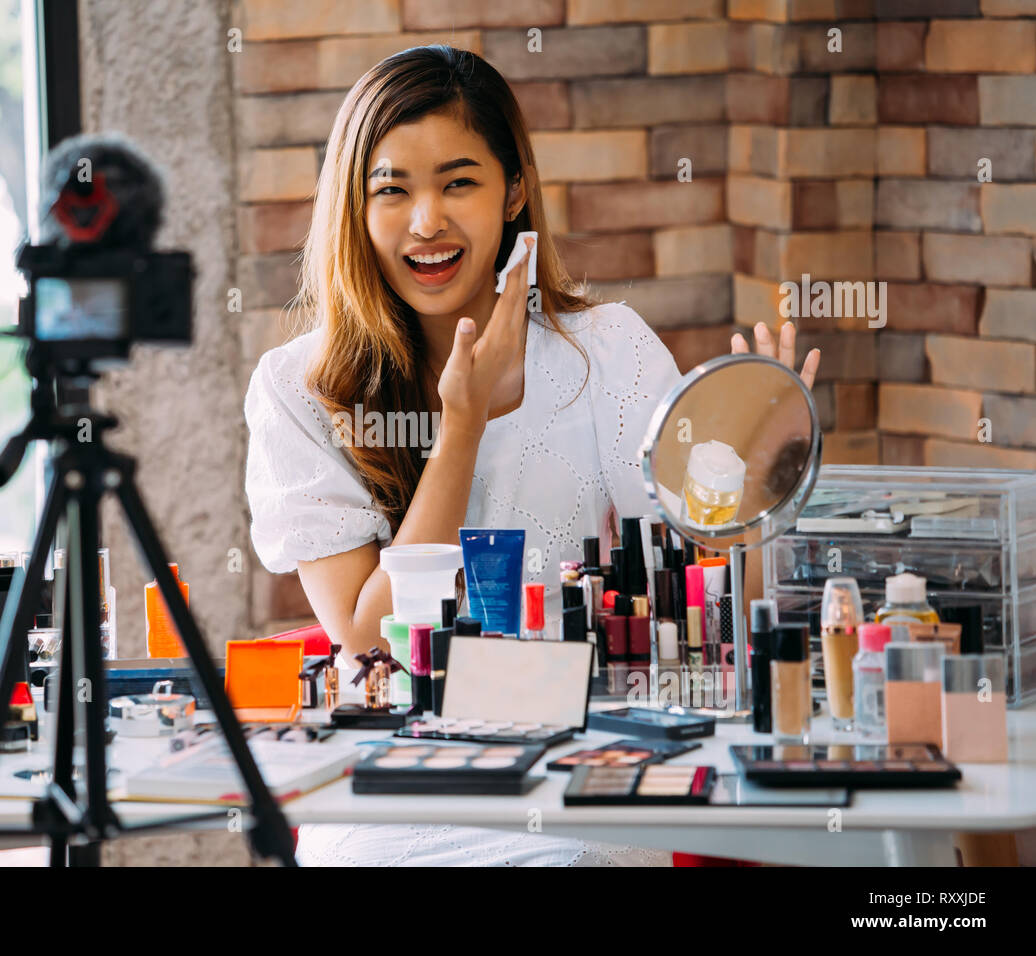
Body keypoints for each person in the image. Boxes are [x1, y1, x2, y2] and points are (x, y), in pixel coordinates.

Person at [244, 45, 820, 867]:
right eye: (391, 189)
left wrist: (763, 483)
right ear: (353, 205)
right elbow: (372, 640)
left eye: (458, 181)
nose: (426, 221)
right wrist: (464, 423)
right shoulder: (298, 390)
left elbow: (714, 595)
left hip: (580, 781)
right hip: (391, 796)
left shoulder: (606, 350)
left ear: (514, 189)